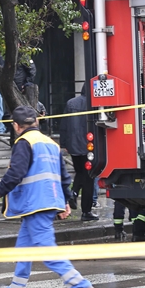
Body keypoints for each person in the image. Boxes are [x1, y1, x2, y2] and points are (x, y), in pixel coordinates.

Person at [0, 106, 96, 288]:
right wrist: (66, 202)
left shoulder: (24, 143)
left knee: (47, 251)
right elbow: (64, 177)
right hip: (47, 203)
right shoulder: (50, 143)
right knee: (24, 249)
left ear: (16, 126)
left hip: (35, 204)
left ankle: (80, 285)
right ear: (36, 123)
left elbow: (16, 173)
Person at [59, 84, 97, 221]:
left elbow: (64, 125)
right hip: (90, 147)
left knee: (80, 172)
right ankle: (86, 211)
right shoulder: (94, 104)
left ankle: (73, 194)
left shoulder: (71, 103)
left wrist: (64, 143)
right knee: (88, 178)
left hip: (74, 145)